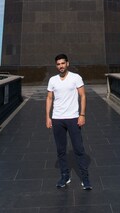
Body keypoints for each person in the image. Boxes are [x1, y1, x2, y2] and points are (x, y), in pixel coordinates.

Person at [46, 53, 91, 190]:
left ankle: (85, 177)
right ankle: (65, 176)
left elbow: (82, 96)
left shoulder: (75, 78)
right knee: (61, 150)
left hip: (73, 118)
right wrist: (48, 117)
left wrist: (82, 114)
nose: (61, 66)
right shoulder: (52, 80)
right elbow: (49, 98)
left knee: (78, 149)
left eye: (63, 63)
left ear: (67, 63)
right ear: (56, 65)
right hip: (58, 118)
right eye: (58, 64)